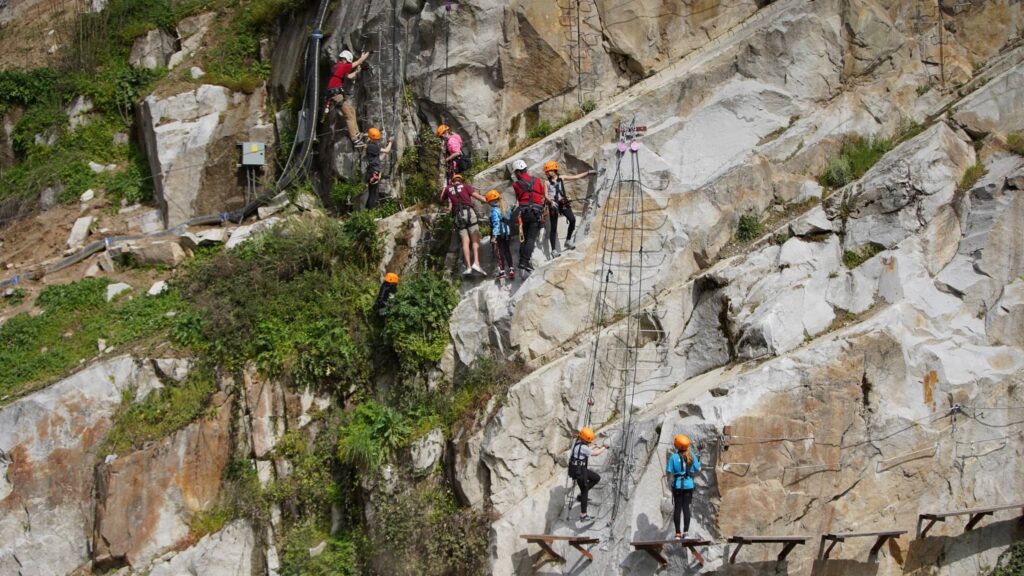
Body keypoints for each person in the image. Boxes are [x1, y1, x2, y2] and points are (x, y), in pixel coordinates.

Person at [440, 174, 487, 275]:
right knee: (475, 240)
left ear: (452, 181)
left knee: (465, 242)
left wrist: (445, 188)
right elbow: (478, 197)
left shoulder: (448, 189)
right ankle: (476, 263)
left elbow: (441, 199)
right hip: (469, 213)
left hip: (458, 216)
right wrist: (491, 200)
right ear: (461, 180)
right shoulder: (465, 186)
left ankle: (469, 267)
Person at [544, 161, 593, 254]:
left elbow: (575, 177)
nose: (548, 173)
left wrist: (588, 173)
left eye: (549, 170)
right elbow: (546, 195)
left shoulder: (561, 178)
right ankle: (553, 250)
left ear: (554, 170)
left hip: (563, 203)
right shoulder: (546, 182)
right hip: (553, 205)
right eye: (547, 171)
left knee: (572, 220)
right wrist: (551, 201)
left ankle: (568, 240)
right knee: (553, 228)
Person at [325, 50, 371, 146]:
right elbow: (358, 62)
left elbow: (349, 76)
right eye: (349, 62)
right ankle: (355, 139)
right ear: (345, 60)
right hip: (336, 95)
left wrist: (357, 71)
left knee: (351, 110)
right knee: (349, 115)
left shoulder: (337, 66)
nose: (349, 65)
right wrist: (368, 53)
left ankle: (357, 133)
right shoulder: (343, 66)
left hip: (335, 94)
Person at [510, 159, 546, 273]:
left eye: (516, 172)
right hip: (536, 212)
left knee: (525, 238)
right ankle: (524, 262)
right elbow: (541, 195)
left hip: (525, 213)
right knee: (530, 238)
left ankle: (523, 261)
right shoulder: (536, 180)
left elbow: (518, 198)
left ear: (518, 172)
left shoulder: (516, 185)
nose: (515, 175)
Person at [568, 427, 608, 522]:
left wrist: (592, 447)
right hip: (580, 472)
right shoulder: (583, 447)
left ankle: (581, 496)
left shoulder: (577, 443)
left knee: (596, 478)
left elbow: (584, 450)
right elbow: (595, 454)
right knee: (585, 491)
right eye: (588, 441)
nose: (588, 443)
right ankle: (583, 515)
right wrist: (604, 448)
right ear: (585, 440)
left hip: (578, 470)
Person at [665, 434, 700, 539]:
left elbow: (668, 471)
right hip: (688, 485)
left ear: (677, 445)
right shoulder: (691, 455)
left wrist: (670, 481)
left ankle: (677, 534)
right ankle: (686, 532)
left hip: (678, 485)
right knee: (686, 508)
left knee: (677, 509)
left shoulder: (673, 457)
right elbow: (697, 468)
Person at [486, 189, 515, 280]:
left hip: (499, 234)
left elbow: (496, 223)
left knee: (500, 252)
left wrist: (494, 236)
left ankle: (502, 271)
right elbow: (508, 217)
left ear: (490, 201)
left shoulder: (494, 211)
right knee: (507, 251)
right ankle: (511, 269)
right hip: (507, 233)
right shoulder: (505, 207)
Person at [365, 127, 394, 209]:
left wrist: (387, 145)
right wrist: (391, 142)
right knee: (373, 193)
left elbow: (379, 158)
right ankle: (370, 212)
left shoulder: (370, 146)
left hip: (372, 171)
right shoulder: (373, 147)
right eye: (377, 139)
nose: (377, 140)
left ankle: (369, 210)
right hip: (374, 172)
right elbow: (387, 150)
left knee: (372, 192)